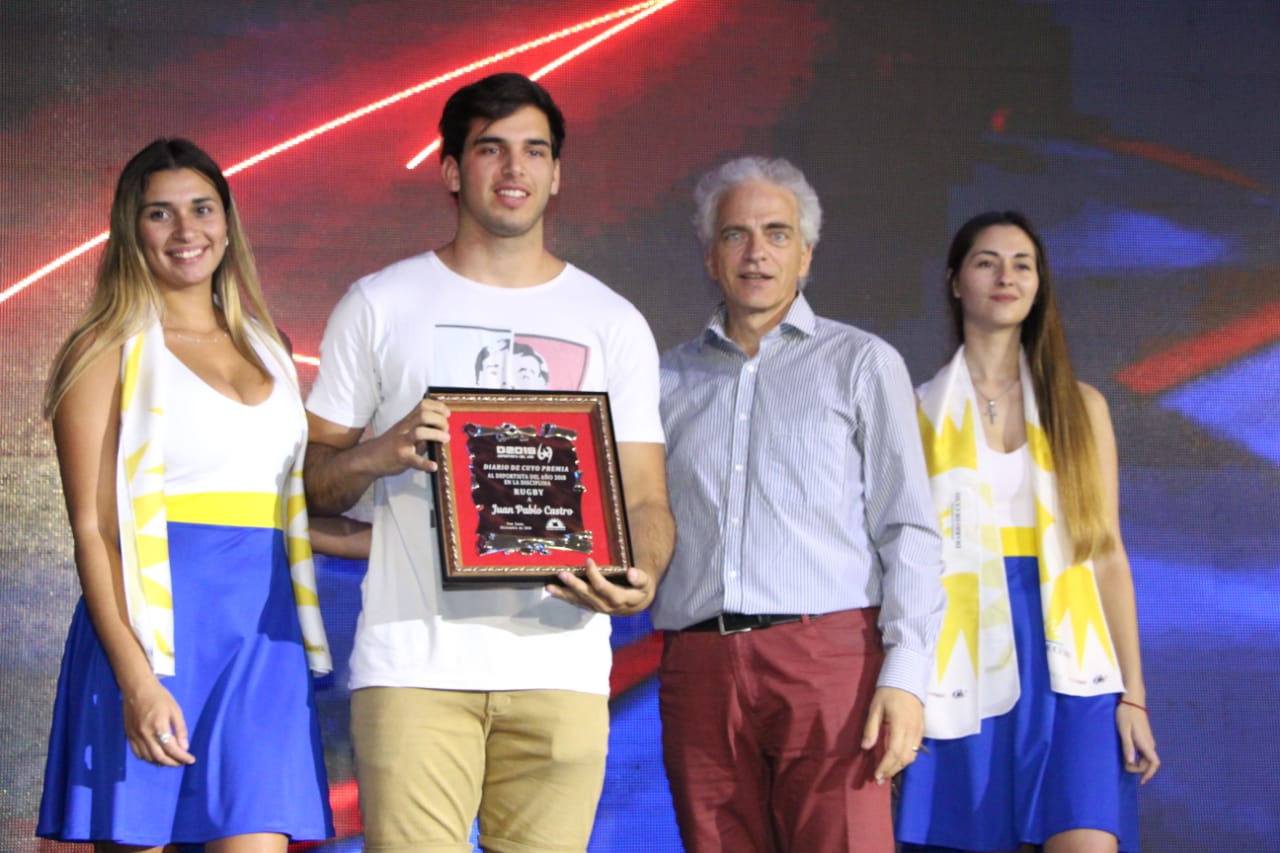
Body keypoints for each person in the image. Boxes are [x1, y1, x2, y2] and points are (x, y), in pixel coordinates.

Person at [302, 72, 674, 853]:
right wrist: (381, 451)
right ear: (450, 169)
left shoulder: (612, 321)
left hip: (563, 668)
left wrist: (642, 571)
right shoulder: (380, 303)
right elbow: (310, 480)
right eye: (491, 149)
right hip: (413, 665)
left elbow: (645, 498)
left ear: (556, 174)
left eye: (534, 151)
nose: (514, 169)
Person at [37, 138, 333, 851]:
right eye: (159, 213)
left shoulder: (270, 344)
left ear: (227, 222)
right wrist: (136, 680)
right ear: (130, 230)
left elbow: (284, 512)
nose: (184, 230)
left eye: (201, 208)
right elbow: (95, 531)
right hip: (153, 638)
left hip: (264, 639)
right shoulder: (103, 348)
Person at [651, 155, 946, 852]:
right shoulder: (662, 379)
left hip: (830, 660)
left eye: (777, 233)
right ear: (709, 258)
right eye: (736, 235)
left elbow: (909, 528)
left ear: (806, 254)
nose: (756, 252)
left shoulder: (862, 362)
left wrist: (906, 676)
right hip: (699, 668)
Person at [896, 211, 1160, 852]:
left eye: (1022, 264)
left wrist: (1135, 696)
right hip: (959, 654)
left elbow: (1107, 556)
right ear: (955, 281)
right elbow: (899, 560)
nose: (1006, 277)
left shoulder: (1081, 407)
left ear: (1039, 285)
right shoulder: (914, 409)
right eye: (986, 262)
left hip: (1072, 660)